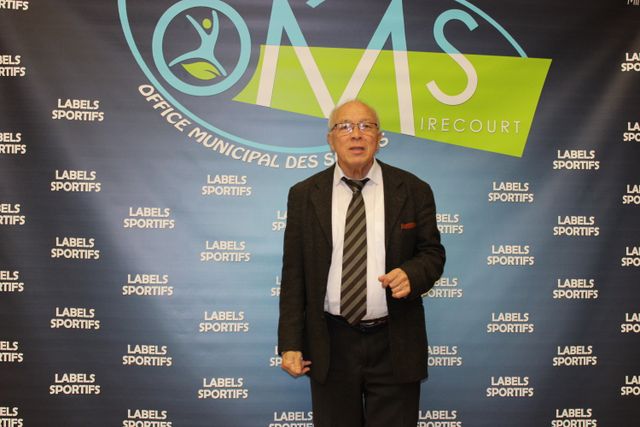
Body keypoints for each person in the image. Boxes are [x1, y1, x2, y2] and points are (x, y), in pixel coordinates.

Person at [278, 100, 446, 427]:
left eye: (366, 126)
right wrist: (290, 343)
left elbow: (432, 253)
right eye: (345, 127)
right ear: (330, 139)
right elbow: (294, 273)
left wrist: (411, 274)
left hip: (395, 341)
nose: (356, 134)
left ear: (379, 137)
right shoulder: (304, 194)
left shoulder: (414, 189)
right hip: (330, 343)